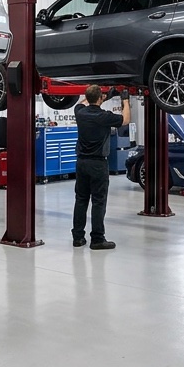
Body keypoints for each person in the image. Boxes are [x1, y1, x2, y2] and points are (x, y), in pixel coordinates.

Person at [72, 85, 131, 249]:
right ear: (100, 99)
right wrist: (125, 99)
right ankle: (97, 239)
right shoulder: (104, 116)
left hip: (81, 163)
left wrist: (104, 97)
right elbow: (125, 120)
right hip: (98, 164)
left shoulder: (80, 113)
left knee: (81, 200)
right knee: (98, 202)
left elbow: (83, 103)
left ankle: (78, 238)